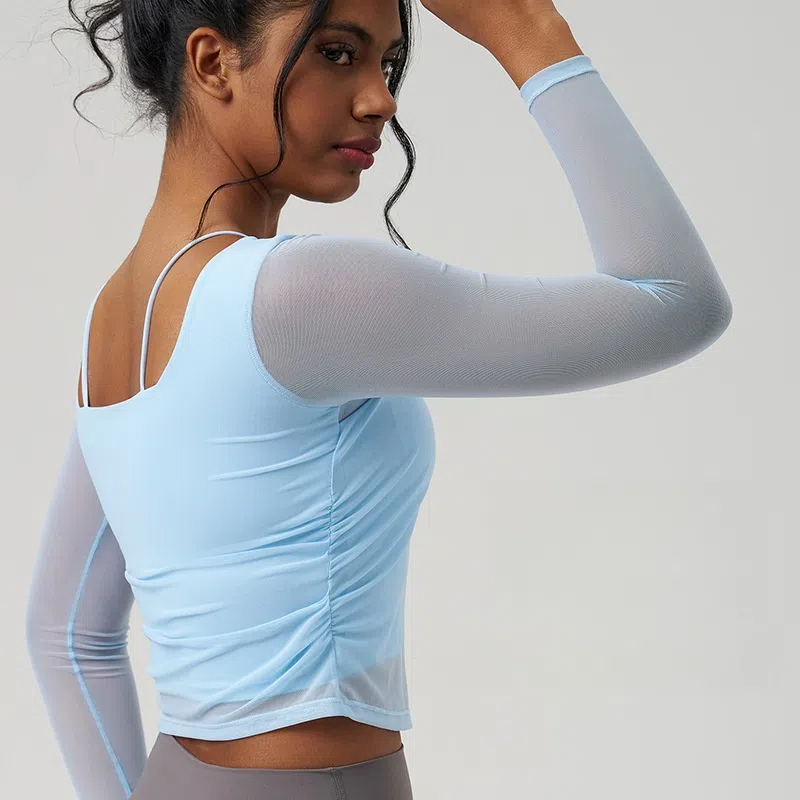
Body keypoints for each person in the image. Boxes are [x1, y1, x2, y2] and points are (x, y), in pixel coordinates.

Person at [25, 0, 734, 797]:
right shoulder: (295, 294)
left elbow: (68, 633)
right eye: (337, 53)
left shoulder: (112, 318)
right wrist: (528, 32)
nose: (380, 99)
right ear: (213, 62)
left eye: (388, 63)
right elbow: (676, 299)